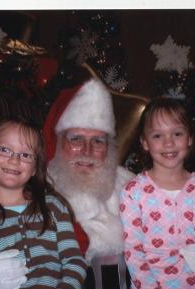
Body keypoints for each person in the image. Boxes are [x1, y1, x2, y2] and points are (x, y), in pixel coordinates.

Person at [0, 116, 87, 289]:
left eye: (26, 155)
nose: (14, 160)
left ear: (35, 168)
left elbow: (74, 261)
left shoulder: (54, 207)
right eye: (4, 149)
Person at [120, 97, 195, 289]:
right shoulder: (132, 192)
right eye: (157, 135)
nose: (168, 143)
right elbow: (133, 251)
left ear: (189, 138)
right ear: (145, 142)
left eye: (177, 133)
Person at [43, 70, 136, 289]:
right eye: (76, 139)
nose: (87, 150)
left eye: (97, 141)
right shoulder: (37, 188)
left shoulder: (131, 185)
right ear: (58, 142)